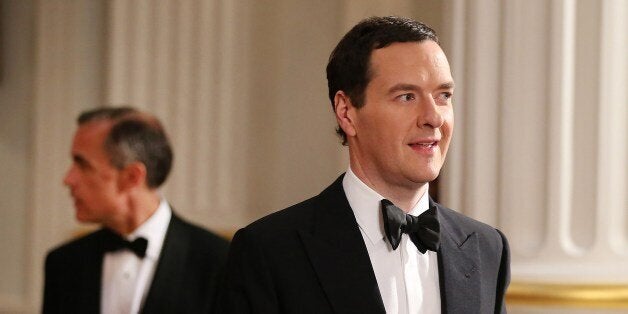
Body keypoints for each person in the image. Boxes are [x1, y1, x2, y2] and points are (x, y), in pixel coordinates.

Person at [217, 16, 510, 314]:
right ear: (346, 112)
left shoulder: (487, 249)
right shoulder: (270, 252)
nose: (433, 117)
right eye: (407, 96)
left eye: (443, 95)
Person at [43, 107, 229, 314]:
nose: (68, 180)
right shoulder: (63, 263)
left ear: (132, 176)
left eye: (83, 165)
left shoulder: (219, 260)